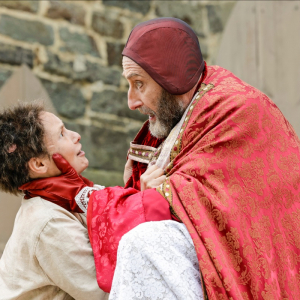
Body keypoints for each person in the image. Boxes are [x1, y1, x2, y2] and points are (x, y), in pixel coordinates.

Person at [23, 17, 300, 299]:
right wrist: (142, 195)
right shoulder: (175, 119)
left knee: (145, 244)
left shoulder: (239, 109)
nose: (131, 102)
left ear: (171, 76)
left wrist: (156, 195)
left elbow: (226, 203)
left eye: (139, 84)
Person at [0, 103, 176, 299]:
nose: (76, 135)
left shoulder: (70, 195)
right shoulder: (48, 222)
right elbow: (113, 291)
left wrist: (131, 188)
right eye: (62, 134)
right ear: (39, 164)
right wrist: (146, 206)